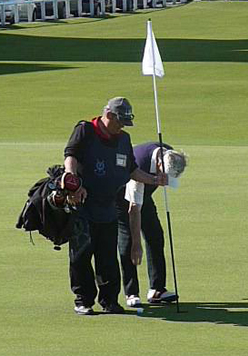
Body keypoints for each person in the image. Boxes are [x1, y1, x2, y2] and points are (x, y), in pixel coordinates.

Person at [63, 97, 167, 315]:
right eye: (120, 121)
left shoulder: (123, 139)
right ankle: (83, 300)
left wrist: (155, 179)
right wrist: (72, 182)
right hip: (83, 205)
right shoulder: (85, 130)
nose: (122, 127)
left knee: (108, 257)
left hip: (109, 205)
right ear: (108, 115)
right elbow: (70, 156)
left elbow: (132, 171)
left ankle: (110, 301)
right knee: (81, 255)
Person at [116, 143, 188, 307]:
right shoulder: (139, 164)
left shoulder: (169, 153)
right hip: (121, 198)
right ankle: (131, 292)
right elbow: (133, 209)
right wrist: (137, 244)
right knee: (128, 242)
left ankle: (157, 290)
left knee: (155, 236)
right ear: (159, 165)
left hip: (144, 195)